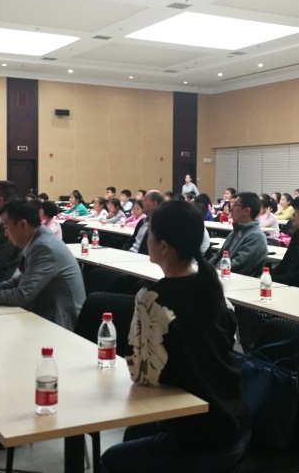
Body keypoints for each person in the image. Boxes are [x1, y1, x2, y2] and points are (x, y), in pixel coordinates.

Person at [101, 200, 250, 473]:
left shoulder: (151, 299)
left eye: (150, 232)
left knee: (112, 459)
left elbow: (142, 375)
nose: (146, 238)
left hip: (205, 438)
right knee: (134, 433)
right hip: (234, 420)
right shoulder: (213, 289)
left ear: (163, 246)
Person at [0, 200, 86, 331]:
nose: (5, 234)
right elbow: (21, 280)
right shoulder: (38, 239)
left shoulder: (44, 247)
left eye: (6, 227)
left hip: (59, 321)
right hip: (43, 310)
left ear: (22, 224)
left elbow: (22, 295)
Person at [208, 192, 268, 276]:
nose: (231, 208)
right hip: (217, 276)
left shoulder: (256, 238)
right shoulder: (236, 231)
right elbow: (218, 256)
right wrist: (205, 269)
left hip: (234, 281)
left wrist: (210, 274)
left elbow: (235, 266)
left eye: (235, 205)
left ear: (246, 211)